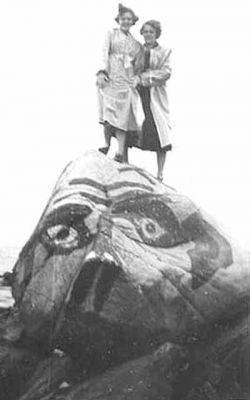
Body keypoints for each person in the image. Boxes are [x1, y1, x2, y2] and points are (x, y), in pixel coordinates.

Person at [96, 4, 143, 163]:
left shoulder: (135, 43)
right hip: (111, 75)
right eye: (123, 19)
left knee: (123, 114)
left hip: (126, 78)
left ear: (133, 22)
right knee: (108, 111)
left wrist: (136, 78)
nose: (126, 21)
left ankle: (120, 151)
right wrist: (102, 71)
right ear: (119, 20)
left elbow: (139, 63)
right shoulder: (111, 33)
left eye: (129, 19)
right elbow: (104, 52)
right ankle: (106, 143)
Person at [135, 20, 172, 181]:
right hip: (138, 92)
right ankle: (123, 157)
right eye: (146, 31)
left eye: (151, 31)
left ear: (156, 33)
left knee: (160, 129)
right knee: (130, 121)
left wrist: (147, 77)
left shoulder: (165, 51)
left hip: (155, 93)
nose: (148, 34)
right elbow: (129, 67)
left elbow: (166, 72)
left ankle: (160, 172)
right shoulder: (137, 50)